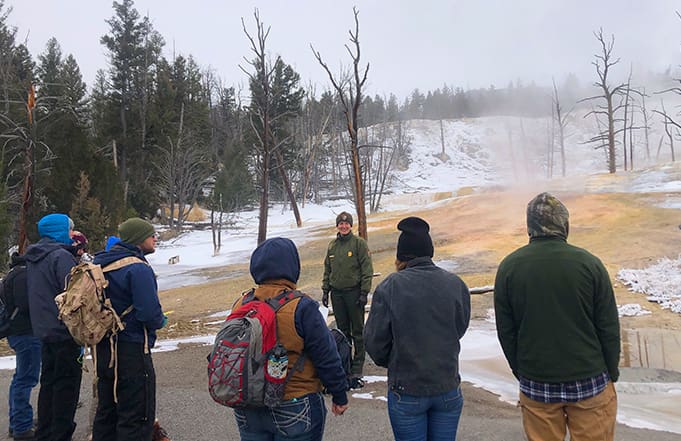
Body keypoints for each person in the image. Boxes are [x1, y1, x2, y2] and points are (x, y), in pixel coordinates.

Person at [494, 192, 620, 441]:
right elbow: (608, 326)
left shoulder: (509, 267)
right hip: (589, 377)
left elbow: (506, 331)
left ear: (530, 227)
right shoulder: (589, 264)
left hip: (536, 380)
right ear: (565, 225)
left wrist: (521, 370)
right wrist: (611, 372)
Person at [365, 217, 471, 441]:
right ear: (429, 251)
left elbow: (375, 343)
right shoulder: (456, 284)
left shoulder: (390, 287)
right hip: (447, 385)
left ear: (401, 256)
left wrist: (396, 359)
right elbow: (459, 328)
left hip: (407, 388)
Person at [234, 237, 349, 441]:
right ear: (292, 266)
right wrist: (339, 394)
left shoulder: (241, 304)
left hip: (248, 404)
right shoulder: (301, 306)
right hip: (294, 403)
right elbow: (326, 355)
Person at [91, 217, 166, 441]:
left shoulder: (99, 264)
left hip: (103, 347)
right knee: (136, 415)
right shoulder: (138, 268)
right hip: (132, 348)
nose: (155, 238)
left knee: (106, 412)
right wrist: (160, 321)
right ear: (138, 238)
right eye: (150, 234)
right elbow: (149, 313)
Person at [25, 213, 80, 441]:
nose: (72, 234)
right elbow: (74, 294)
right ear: (59, 231)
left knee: (48, 385)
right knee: (66, 389)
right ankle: (60, 434)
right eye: (69, 229)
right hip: (64, 331)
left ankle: (45, 432)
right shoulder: (60, 257)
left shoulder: (35, 257)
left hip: (44, 329)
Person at [321, 211, 373, 388]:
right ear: (337, 226)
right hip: (337, 294)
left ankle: (357, 366)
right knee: (342, 332)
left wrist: (364, 292)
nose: (343, 226)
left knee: (357, 330)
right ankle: (346, 363)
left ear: (351, 225)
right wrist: (325, 291)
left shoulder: (359, 244)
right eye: (341, 224)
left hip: (354, 293)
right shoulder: (332, 246)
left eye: (346, 224)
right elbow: (327, 270)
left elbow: (367, 269)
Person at [3, 252, 41, 440]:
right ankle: (22, 426)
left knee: (21, 377)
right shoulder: (24, 275)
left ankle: (17, 421)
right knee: (26, 379)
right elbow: (25, 304)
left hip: (17, 331)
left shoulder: (13, 273)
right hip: (26, 332)